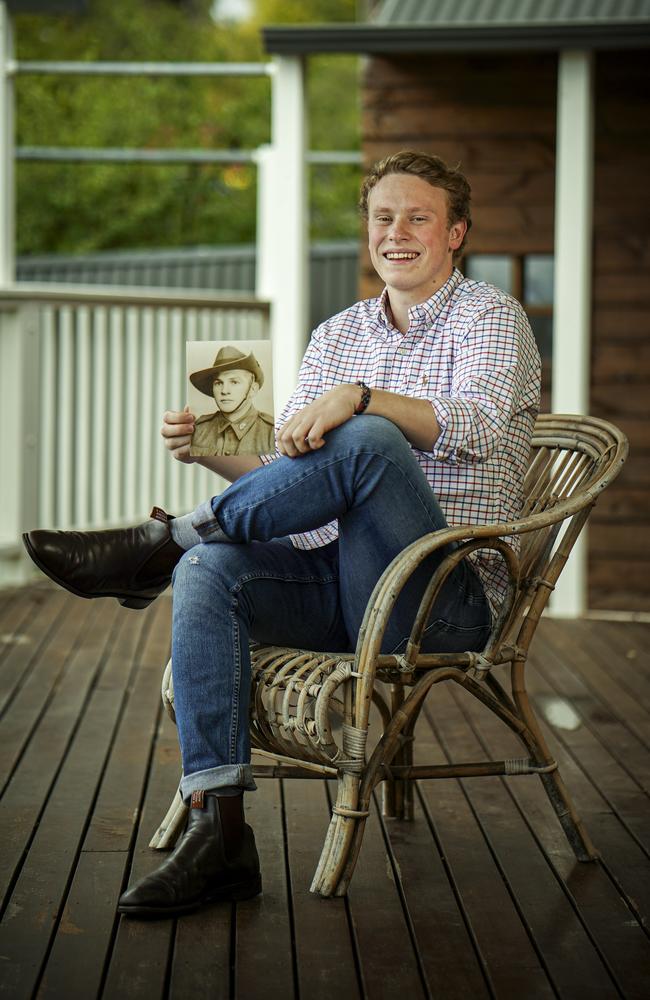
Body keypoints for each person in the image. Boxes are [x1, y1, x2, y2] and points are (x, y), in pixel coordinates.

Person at [22, 151, 541, 918]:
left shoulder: (492, 318)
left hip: (437, 598)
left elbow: (477, 426)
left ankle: (160, 546)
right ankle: (219, 833)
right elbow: (289, 474)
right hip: (336, 581)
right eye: (382, 218)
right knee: (211, 572)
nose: (396, 232)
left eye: (418, 218)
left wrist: (360, 399)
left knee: (368, 439)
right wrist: (216, 448)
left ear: (455, 232)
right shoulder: (339, 332)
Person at [189, 345, 275, 457]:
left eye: (234, 382)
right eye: (219, 383)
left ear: (252, 389)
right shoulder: (199, 429)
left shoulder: (271, 432)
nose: (224, 391)